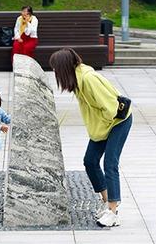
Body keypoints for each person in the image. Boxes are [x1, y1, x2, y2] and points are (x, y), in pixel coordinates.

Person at [50, 48, 132, 228]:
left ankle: (113, 211)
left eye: (56, 69)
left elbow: (110, 109)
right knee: (90, 161)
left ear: (64, 68)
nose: (55, 74)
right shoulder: (78, 81)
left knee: (110, 164)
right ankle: (106, 202)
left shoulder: (88, 79)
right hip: (103, 127)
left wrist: (101, 126)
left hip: (118, 122)